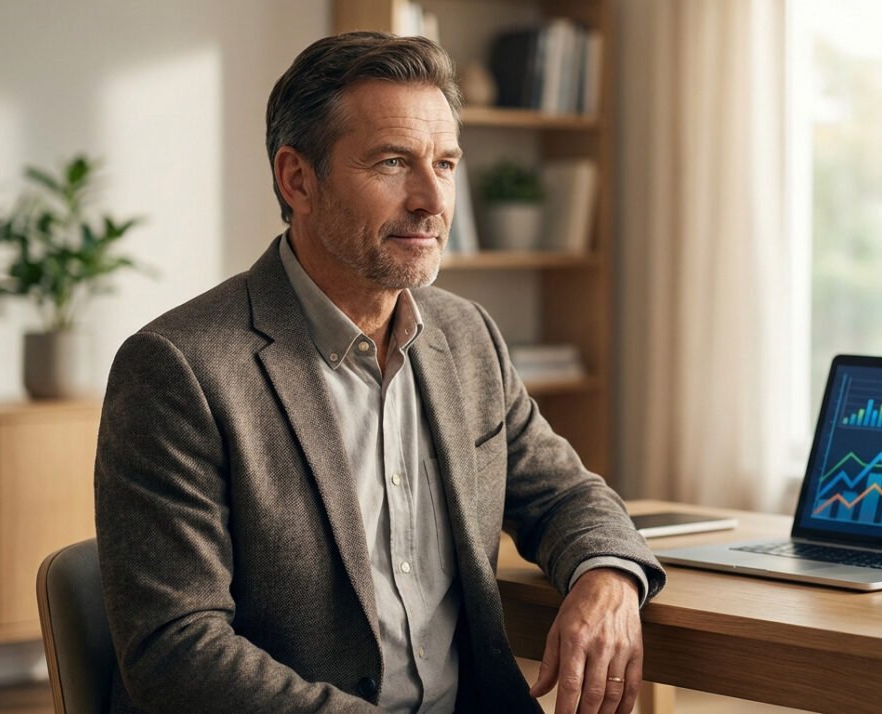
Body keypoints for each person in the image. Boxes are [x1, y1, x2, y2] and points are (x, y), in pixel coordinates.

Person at [94, 31, 665, 714]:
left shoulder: (466, 335)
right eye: (394, 163)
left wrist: (608, 576)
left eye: (446, 163)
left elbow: (566, 495)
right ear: (297, 179)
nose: (431, 199)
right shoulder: (179, 369)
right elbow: (176, 650)